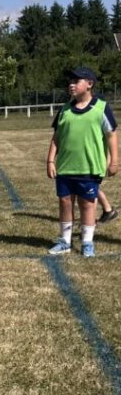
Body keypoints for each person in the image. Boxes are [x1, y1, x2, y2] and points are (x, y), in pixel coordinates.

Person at [47, 67, 118, 257]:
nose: (71, 85)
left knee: (87, 204)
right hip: (65, 167)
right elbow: (57, 137)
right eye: (70, 82)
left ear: (89, 84)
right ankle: (65, 241)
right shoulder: (65, 110)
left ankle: (87, 242)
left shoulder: (100, 108)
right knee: (65, 203)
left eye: (76, 81)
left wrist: (114, 160)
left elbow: (111, 135)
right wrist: (50, 160)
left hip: (89, 167)